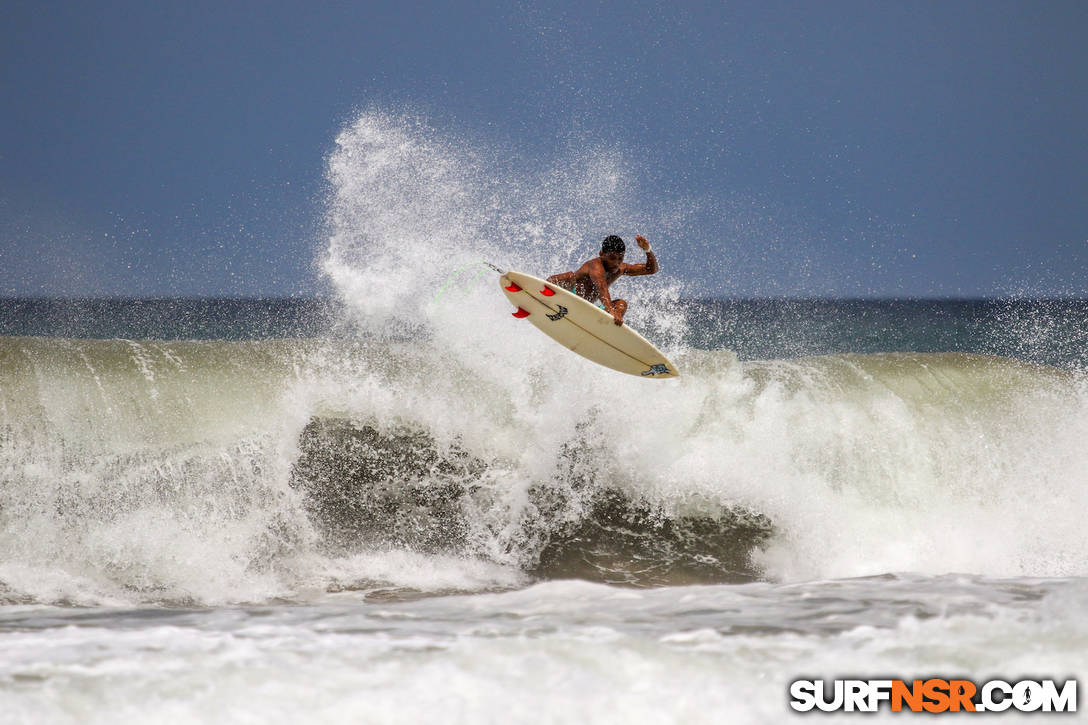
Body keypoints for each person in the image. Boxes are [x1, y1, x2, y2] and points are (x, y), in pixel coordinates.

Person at [546, 234, 658, 325]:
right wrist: (610, 310)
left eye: (620, 258)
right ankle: (546, 291)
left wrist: (648, 250)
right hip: (569, 296)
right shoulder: (595, 266)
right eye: (612, 258)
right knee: (569, 276)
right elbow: (601, 287)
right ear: (602, 254)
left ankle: (601, 325)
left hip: (587, 308)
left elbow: (651, 269)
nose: (616, 263)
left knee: (621, 304)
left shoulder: (621, 268)